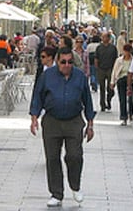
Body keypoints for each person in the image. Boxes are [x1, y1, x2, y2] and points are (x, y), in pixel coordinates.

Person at [30, 47, 95, 207]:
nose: (67, 65)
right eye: (63, 62)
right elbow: (37, 96)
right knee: (52, 158)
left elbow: (87, 100)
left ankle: (75, 185)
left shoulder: (79, 77)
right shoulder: (47, 76)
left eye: (70, 62)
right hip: (52, 120)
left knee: (74, 155)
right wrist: (34, 118)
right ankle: (56, 193)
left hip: (74, 121)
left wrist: (90, 124)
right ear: (57, 62)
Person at [110, 44, 133, 126]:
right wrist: (112, 82)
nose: (126, 53)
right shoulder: (119, 60)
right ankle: (123, 117)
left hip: (131, 80)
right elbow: (114, 71)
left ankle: (131, 113)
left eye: (128, 51)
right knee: (122, 99)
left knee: (131, 99)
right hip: (121, 80)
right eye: (125, 51)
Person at [94, 31, 118, 112]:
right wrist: (97, 68)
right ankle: (102, 104)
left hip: (110, 69)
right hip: (101, 69)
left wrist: (115, 70)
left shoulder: (113, 48)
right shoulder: (99, 47)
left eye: (105, 37)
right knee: (102, 88)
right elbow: (96, 58)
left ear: (108, 38)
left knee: (110, 88)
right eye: (102, 37)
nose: (103, 38)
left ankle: (109, 99)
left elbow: (116, 59)